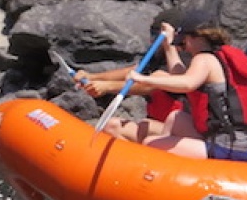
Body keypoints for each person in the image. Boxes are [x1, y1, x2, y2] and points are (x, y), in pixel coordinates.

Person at [127, 10, 247, 160]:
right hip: (238, 142)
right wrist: (168, 45)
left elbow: (187, 84)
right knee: (176, 118)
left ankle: (162, 171)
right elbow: (180, 76)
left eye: (184, 42)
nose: (185, 48)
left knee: (150, 143)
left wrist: (144, 79)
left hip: (226, 146)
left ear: (195, 38)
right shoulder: (217, 58)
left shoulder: (203, 59)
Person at [73, 10, 186, 143]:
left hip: (179, 132)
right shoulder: (158, 55)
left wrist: (107, 87)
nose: (151, 40)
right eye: (151, 34)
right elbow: (134, 71)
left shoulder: (183, 59)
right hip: (159, 124)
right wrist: (93, 77)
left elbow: (151, 85)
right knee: (112, 126)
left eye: (155, 35)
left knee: (128, 126)